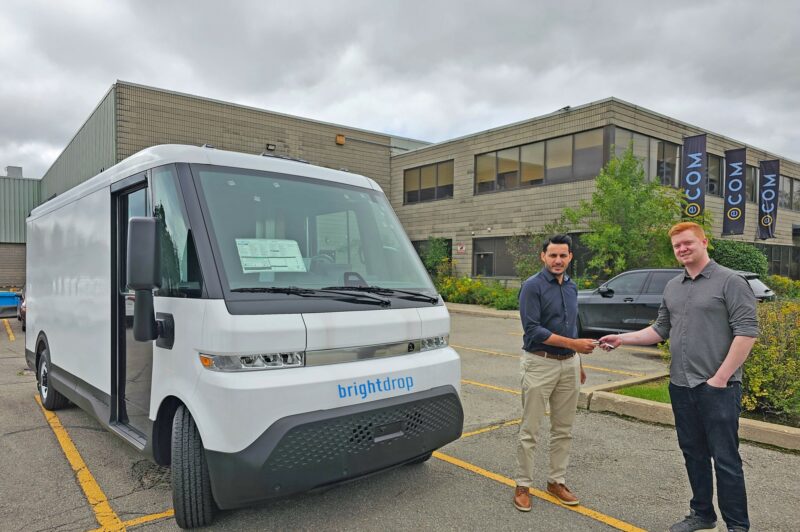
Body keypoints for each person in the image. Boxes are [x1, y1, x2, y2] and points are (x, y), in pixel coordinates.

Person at [599, 222, 758, 532]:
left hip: (718, 388)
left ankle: (738, 525)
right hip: (681, 386)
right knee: (693, 453)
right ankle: (702, 515)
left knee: (725, 459)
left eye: (688, 243)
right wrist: (622, 338)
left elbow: (746, 332)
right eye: (677, 246)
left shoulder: (731, 282)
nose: (682, 249)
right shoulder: (673, 286)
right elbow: (660, 329)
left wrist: (720, 378)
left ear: (704, 242)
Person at [513, 234, 595, 512]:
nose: (558, 260)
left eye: (563, 255)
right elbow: (533, 330)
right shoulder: (532, 287)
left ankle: (555, 481)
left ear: (570, 257)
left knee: (563, 429)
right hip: (539, 363)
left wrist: (577, 360)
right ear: (543, 256)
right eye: (552, 255)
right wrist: (575, 345)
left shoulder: (571, 287)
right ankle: (523, 484)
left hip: (569, 365)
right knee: (530, 430)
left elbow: (571, 326)